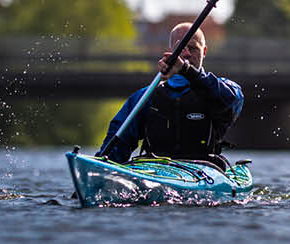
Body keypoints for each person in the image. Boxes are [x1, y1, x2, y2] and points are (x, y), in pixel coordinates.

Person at [98, 22, 244, 166]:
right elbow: (117, 144)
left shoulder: (223, 89)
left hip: (205, 170)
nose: (186, 54)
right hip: (155, 170)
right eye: (180, 48)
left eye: (192, 48)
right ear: (170, 52)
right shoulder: (146, 96)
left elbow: (229, 101)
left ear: (204, 51)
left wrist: (187, 70)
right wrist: (99, 168)